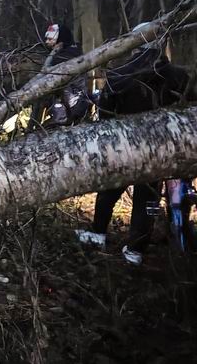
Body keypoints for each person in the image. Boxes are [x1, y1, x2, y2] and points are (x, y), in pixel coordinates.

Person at [76, 23, 194, 265]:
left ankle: (99, 232)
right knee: (147, 198)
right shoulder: (178, 76)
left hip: (124, 146)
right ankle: (135, 249)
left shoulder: (119, 75)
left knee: (111, 190)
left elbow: (106, 113)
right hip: (161, 150)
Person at [42, 23, 90, 126]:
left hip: (68, 109)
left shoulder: (60, 58)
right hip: (81, 105)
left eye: (50, 39)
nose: (47, 42)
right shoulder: (77, 53)